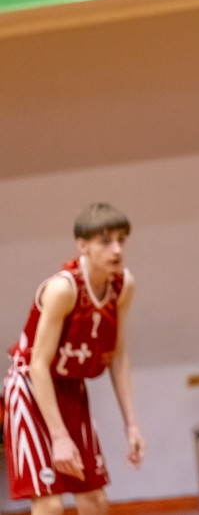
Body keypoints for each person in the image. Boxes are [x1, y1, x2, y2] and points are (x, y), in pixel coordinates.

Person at [2, 203, 144, 514]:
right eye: (105, 242)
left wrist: (131, 424)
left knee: (95, 500)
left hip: (70, 386)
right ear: (82, 245)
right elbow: (39, 365)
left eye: (121, 240)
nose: (117, 249)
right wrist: (58, 436)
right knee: (50, 504)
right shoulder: (63, 289)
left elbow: (117, 355)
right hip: (30, 387)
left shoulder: (123, 284)